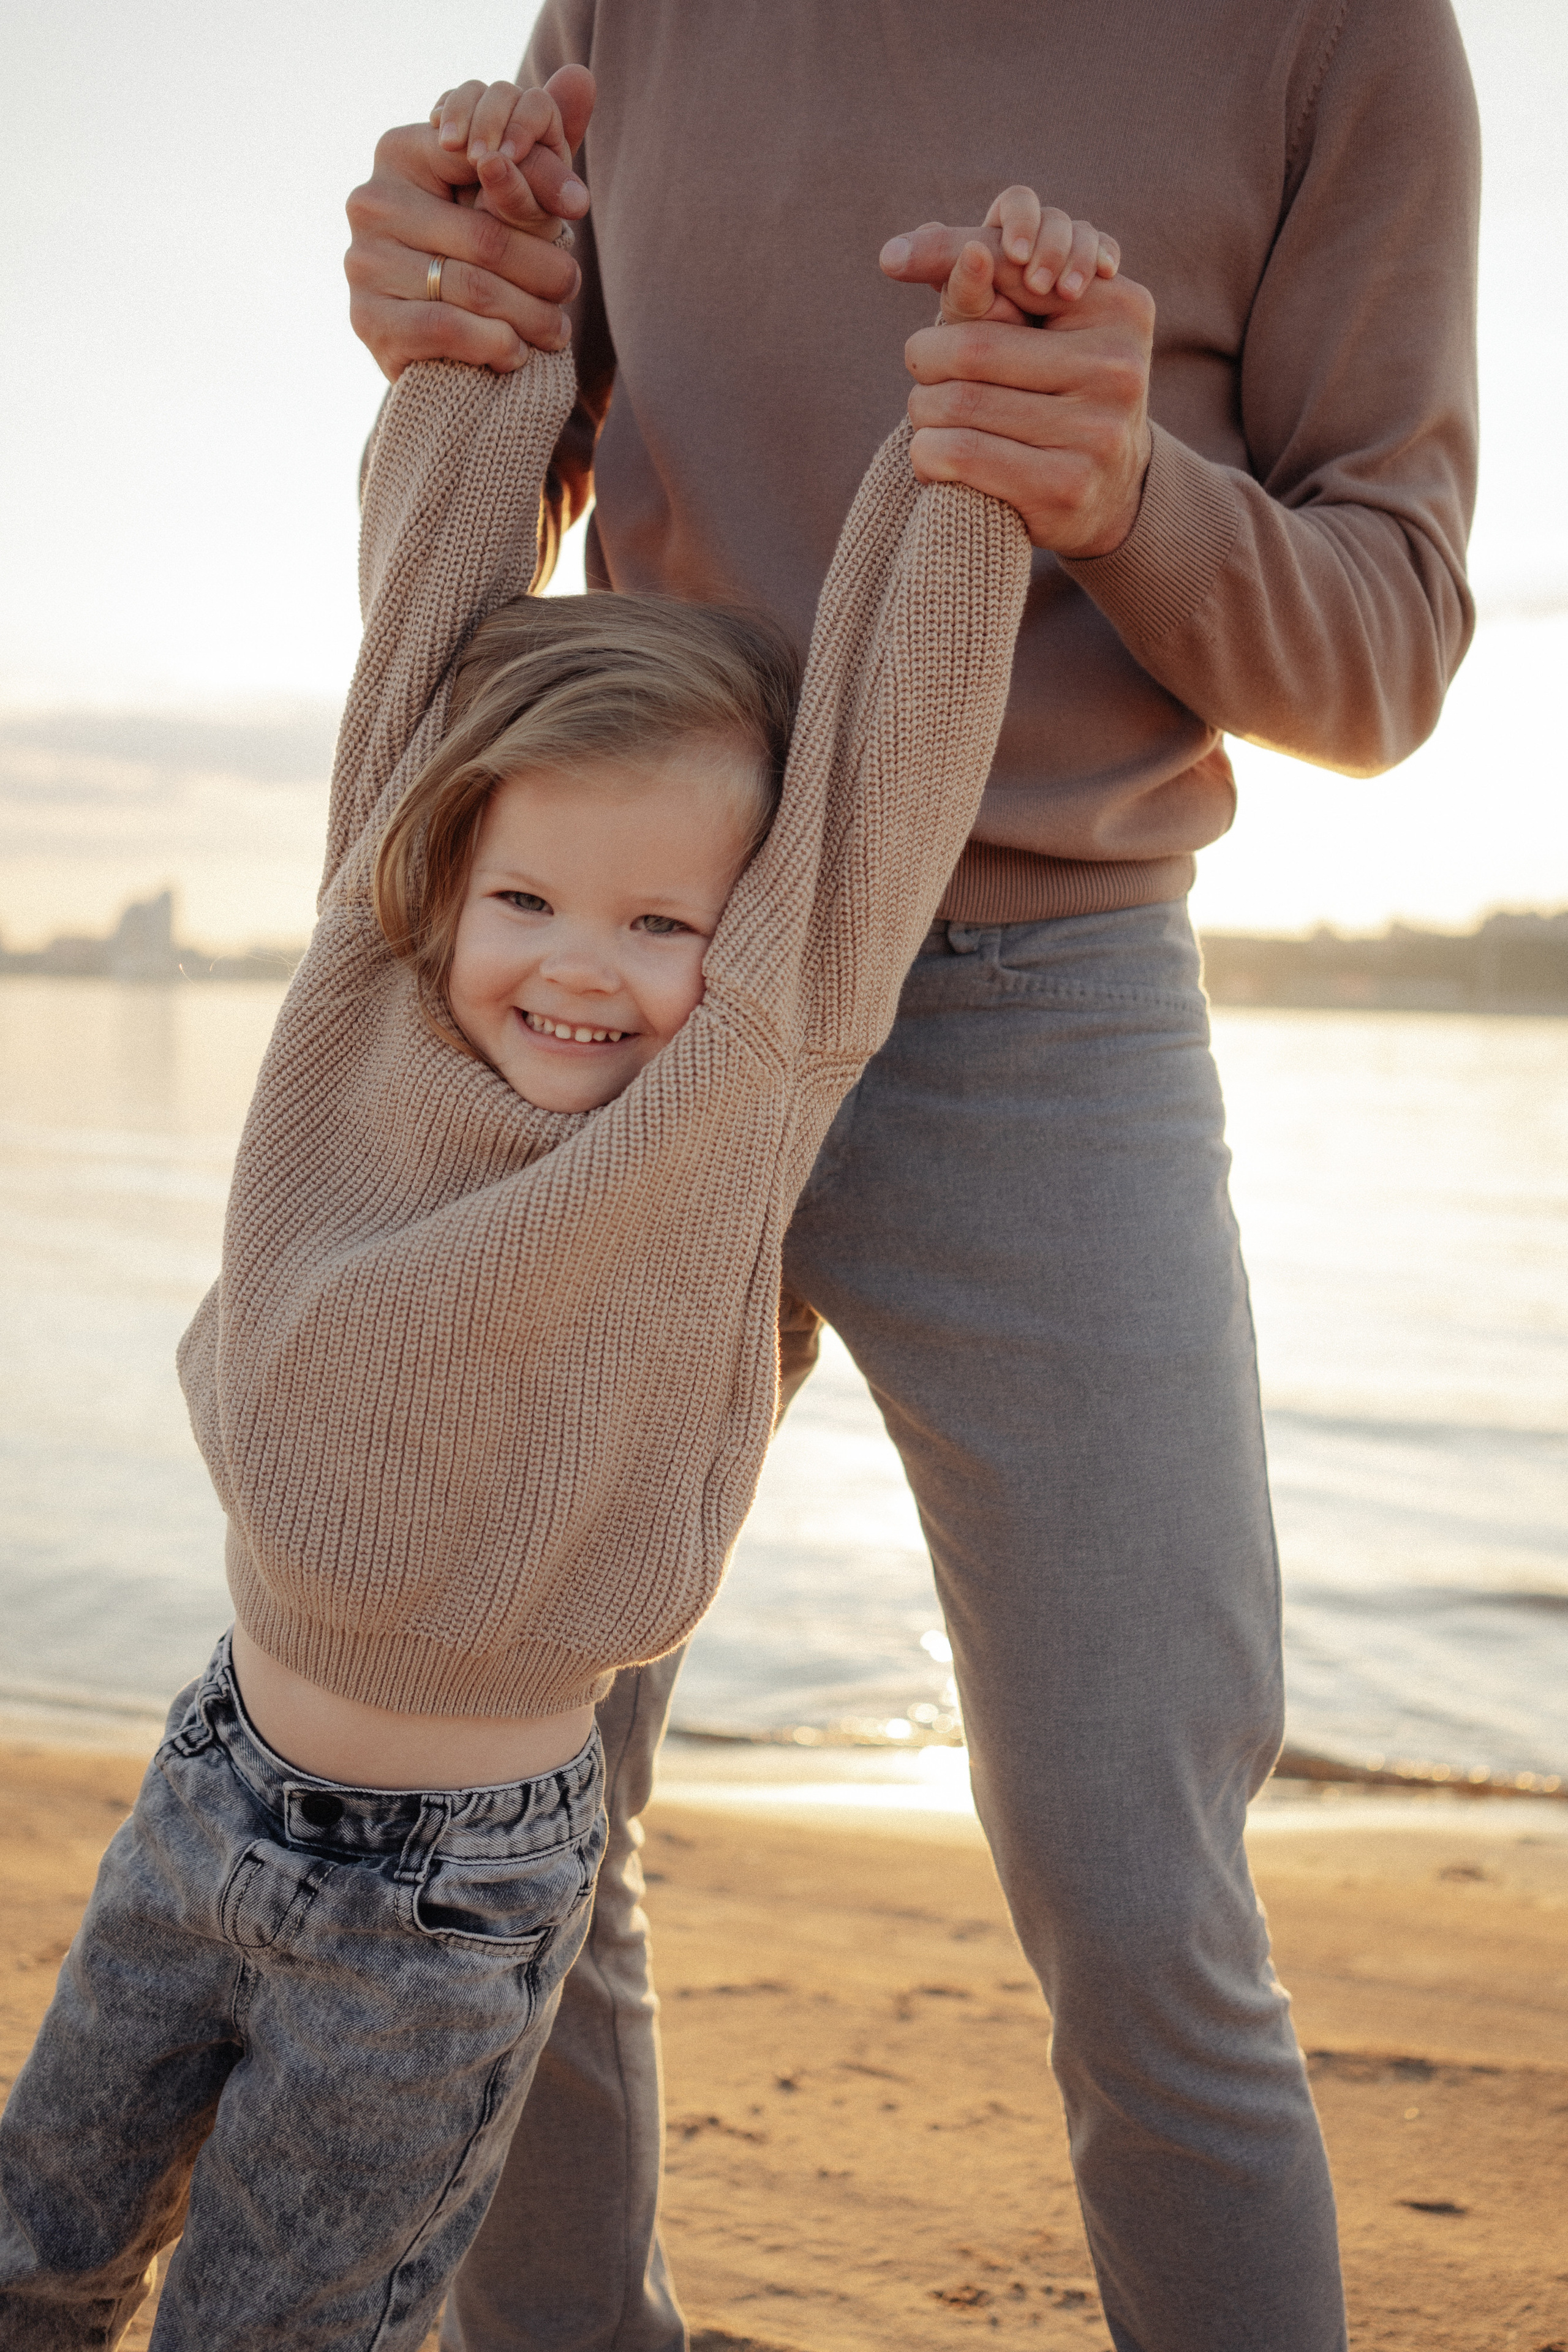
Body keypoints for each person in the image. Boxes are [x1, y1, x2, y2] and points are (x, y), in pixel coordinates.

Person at [344, 11, 1482, 2352]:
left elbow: (1388, 648)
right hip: (639, 998)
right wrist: (460, 300)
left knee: (1139, 1889)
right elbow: (543, 434)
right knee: (506, 1829)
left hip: (1045, 1010)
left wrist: (1127, 490)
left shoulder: (1343, 34)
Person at [0, 94, 1071, 2337]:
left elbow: (883, 767)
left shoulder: (738, 1075)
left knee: (280, 2325)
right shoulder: (370, 981)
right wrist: (493, 346)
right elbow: (424, 612)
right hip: (210, 1782)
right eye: (530, 899)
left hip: (456, 1903)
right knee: (32, 2246)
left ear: (748, 932)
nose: (585, 967)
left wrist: (967, 451)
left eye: (664, 922)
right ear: (436, 869)